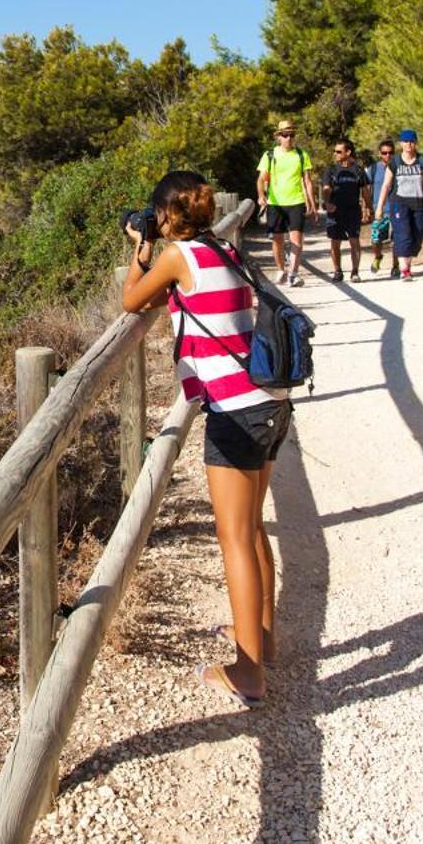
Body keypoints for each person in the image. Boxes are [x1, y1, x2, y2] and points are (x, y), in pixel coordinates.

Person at [123, 169, 287, 708]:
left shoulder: (179, 257)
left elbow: (132, 301)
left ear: (168, 214)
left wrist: (139, 250)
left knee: (234, 538)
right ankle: (260, 639)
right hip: (269, 403)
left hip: (235, 411)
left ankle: (248, 673)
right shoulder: (224, 249)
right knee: (252, 529)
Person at [255, 121, 318, 288]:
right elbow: (261, 178)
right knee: (277, 240)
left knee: (296, 239)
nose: (289, 138)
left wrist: (312, 203)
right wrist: (261, 196)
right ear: (278, 137)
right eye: (285, 135)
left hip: (296, 201)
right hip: (275, 203)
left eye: (292, 135)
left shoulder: (301, 155)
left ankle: (294, 274)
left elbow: (308, 181)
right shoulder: (270, 155)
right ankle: (281, 269)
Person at [373, 130, 423, 282]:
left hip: (420, 203)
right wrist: (380, 207)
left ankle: (407, 262)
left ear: (416, 143)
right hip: (399, 203)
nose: (409, 144)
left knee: (419, 233)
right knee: (403, 234)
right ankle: (405, 270)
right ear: (401, 144)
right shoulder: (395, 162)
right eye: (406, 141)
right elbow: (386, 185)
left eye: (412, 141)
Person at [321, 139, 372, 281]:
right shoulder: (330, 170)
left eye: (338, 151)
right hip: (335, 211)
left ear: (348, 152)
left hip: (353, 211)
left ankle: (355, 272)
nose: (335, 154)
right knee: (335, 242)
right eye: (334, 151)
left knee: (354, 240)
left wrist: (370, 209)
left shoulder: (358, 170)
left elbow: (365, 191)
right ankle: (338, 271)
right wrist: (327, 202)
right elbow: (326, 188)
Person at [366, 139, 395, 276]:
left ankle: (396, 266)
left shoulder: (398, 167)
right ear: (379, 153)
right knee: (376, 239)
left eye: (390, 153)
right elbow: (366, 189)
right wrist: (366, 208)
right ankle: (378, 257)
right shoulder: (373, 169)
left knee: (397, 240)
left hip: (396, 208)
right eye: (384, 153)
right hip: (379, 210)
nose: (387, 155)